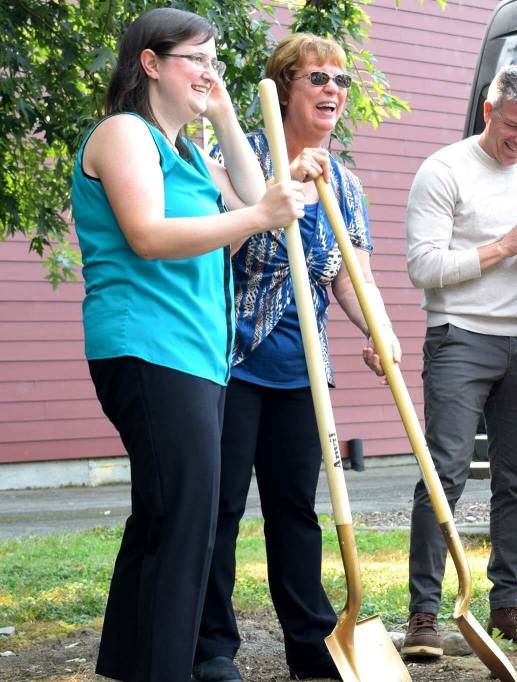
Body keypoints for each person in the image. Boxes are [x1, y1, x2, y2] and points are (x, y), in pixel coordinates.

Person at [70, 8, 305, 682]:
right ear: (150, 62)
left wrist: (227, 120)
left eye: (215, 61)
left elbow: (252, 212)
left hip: (195, 355)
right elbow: (146, 233)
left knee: (165, 516)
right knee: (184, 523)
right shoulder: (124, 134)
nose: (209, 72)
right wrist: (258, 214)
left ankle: (130, 666)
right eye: (195, 59)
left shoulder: (188, 153)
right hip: (146, 347)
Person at [191, 34, 402, 682]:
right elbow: (217, 247)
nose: (334, 89)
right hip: (232, 360)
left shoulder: (345, 182)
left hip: (303, 371)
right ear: (286, 87)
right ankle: (211, 650)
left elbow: (351, 276)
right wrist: (276, 196)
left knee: (296, 511)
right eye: (318, 78)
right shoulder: (238, 153)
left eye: (341, 80)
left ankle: (312, 647)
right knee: (220, 508)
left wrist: (381, 330)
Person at [401, 64, 517, 657]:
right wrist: (504, 246)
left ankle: (506, 605)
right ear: (488, 112)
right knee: (443, 474)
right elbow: (423, 267)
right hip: (459, 338)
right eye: (513, 127)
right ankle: (423, 615)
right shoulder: (443, 170)